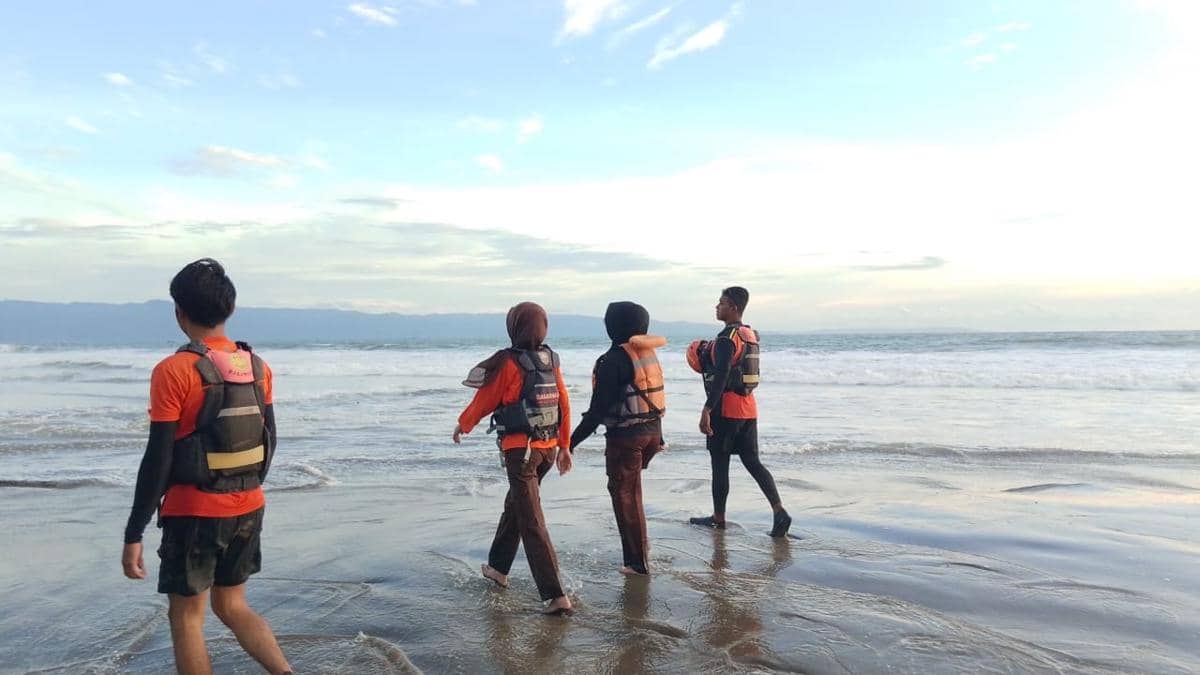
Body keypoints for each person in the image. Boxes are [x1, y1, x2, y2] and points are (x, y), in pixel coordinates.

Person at [121, 258, 291, 675]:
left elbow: (158, 457)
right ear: (229, 309)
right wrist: (244, 491)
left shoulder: (174, 371)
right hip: (249, 505)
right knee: (232, 605)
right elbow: (269, 437)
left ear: (179, 312)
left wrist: (134, 532)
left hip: (195, 512)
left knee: (186, 616)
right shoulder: (257, 367)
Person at [453, 302, 575, 616]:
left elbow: (486, 398)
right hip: (546, 451)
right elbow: (563, 402)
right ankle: (497, 568)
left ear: (515, 327)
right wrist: (564, 446)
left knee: (531, 520)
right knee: (517, 506)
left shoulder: (510, 362)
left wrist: (463, 424)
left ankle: (556, 596)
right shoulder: (550, 359)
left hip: (522, 453)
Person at [570, 301, 667, 576]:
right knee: (633, 492)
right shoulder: (646, 354)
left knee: (624, 496)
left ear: (613, 327)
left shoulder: (612, 360)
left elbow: (598, 411)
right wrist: (659, 438)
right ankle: (641, 549)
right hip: (652, 434)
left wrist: (570, 443)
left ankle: (636, 563)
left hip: (626, 439)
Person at [688, 286, 791, 538]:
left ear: (733, 307)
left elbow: (722, 375)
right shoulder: (749, 335)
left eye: (721, 303)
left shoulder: (726, 338)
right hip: (748, 409)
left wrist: (707, 409)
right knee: (753, 461)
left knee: (719, 464)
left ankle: (718, 518)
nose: (717, 306)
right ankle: (779, 510)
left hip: (726, 410)